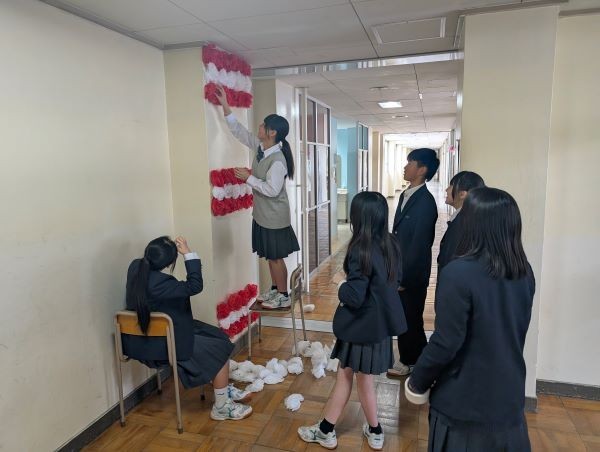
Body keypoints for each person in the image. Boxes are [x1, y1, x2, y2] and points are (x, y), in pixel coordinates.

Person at [406, 187, 534, 452]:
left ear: (473, 223)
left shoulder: (459, 273)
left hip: (463, 405)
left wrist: (417, 380)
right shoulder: (523, 272)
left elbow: (446, 342)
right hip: (508, 398)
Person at [297, 192, 407, 450]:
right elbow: (396, 280)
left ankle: (332, 431)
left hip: (361, 326)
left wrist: (340, 283)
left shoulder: (360, 249)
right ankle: (369, 431)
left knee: (350, 377)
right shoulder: (391, 243)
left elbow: (355, 297)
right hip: (380, 326)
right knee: (357, 377)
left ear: (359, 218)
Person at [123, 236, 253, 421]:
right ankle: (221, 406)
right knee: (220, 350)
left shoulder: (135, 268)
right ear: (169, 263)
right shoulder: (161, 283)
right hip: (160, 343)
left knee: (218, 336)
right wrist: (188, 254)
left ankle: (222, 387)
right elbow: (194, 286)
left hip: (148, 337)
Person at [215, 85, 300, 310]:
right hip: (263, 215)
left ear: (272, 133)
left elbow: (272, 190)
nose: (259, 127)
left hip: (275, 217)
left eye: (263, 125)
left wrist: (248, 178)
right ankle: (275, 289)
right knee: (270, 256)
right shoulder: (261, 148)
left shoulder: (278, 160)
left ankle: (283, 295)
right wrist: (225, 104)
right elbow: (239, 132)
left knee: (276, 257)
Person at [388, 148, 440, 378]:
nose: (405, 167)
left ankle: (410, 362)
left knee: (409, 317)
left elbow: (419, 245)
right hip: (401, 268)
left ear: (422, 170)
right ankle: (418, 360)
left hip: (412, 273)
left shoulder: (426, 203)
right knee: (408, 317)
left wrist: (404, 278)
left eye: (410, 163)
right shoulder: (406, 194)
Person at [437, 171, 485, 274]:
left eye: (451, 186)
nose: (446, 190)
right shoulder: (466, 217)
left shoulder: (463, 223)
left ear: (462, 194)